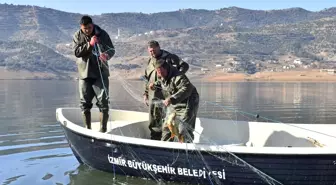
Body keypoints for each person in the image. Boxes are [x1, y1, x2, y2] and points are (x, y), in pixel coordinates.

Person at [72, 15, 115, 132]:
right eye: (84, 28)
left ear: (92, 25)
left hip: (101, 72)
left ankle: (103, 130)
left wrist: (107, 55)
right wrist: (90, 44)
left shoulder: (102, 34)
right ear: (81, 27)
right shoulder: (77, 35)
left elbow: (112, 49)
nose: (87, 30)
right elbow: (76, 52)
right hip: (84, 74)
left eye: (89, 28)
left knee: (104, 102)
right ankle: (88, 129)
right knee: (84, 103)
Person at [143, 40, 189, 140]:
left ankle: (169, 142)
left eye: (154, 50)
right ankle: (155, 140)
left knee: (169, 121)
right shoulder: (150, 61)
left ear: (159, 47)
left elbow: (184, 66)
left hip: (167, 96)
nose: (152, 53)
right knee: (154, 119)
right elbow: (148, 79)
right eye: (150, 51)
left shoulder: (169, 57)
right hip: (154, 96)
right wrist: (146, 93)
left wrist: (174, 78)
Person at [150, 58, 199, 143]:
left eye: (162, 72)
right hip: (174, 103)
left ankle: (186, 149)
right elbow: (161, 82)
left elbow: (187, 88)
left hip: (188, 102)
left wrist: (172, 98)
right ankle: (164, 148)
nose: (161, 74)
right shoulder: (162, 75)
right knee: (167, 127)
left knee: (183, 129)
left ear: (167, 69)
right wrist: (154, 85)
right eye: (158, 73)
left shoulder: (178, 76)